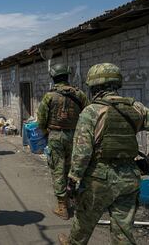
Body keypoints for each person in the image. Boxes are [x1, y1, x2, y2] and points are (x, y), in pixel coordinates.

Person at [58, 63, 149, 245]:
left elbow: (81, 153)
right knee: (123, 231)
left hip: (98, 180)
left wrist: (72, 182)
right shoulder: (137, 108)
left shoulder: (91, 112)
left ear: (94, 87)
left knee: (83, 223)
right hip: (130, 178)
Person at [37, 64, 88, 220]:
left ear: (53, 78)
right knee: (74, 168)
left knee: (58, 169)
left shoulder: (49, 96)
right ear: (67, 76)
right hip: (76, 136)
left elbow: (41, 120)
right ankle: (76, 198)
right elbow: (88, 114)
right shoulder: (80, 95)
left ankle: (63, 207)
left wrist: (47, 134)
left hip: (56, 135)